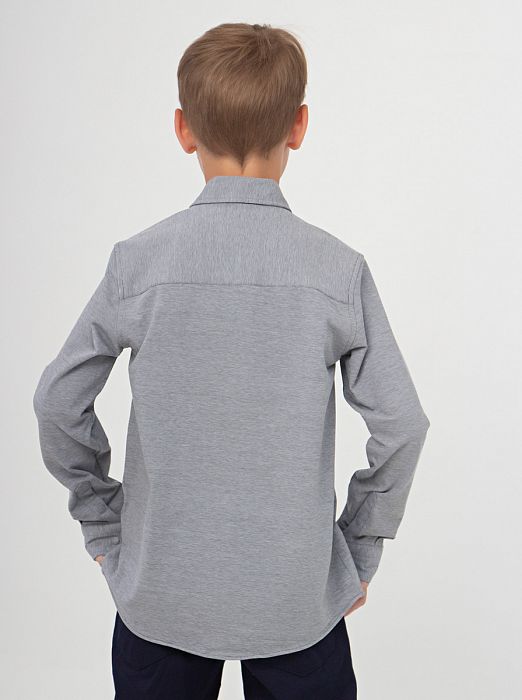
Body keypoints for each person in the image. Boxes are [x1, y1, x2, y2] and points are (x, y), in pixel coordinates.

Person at [33, 22, 430, 700]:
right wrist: (356, 552)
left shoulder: (138, 264)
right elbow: (403, 425)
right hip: (297, 601)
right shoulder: (337, 270)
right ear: (298, 126)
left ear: (183, 129)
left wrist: (104, 523)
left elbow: (56, 402)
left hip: (159, 595)